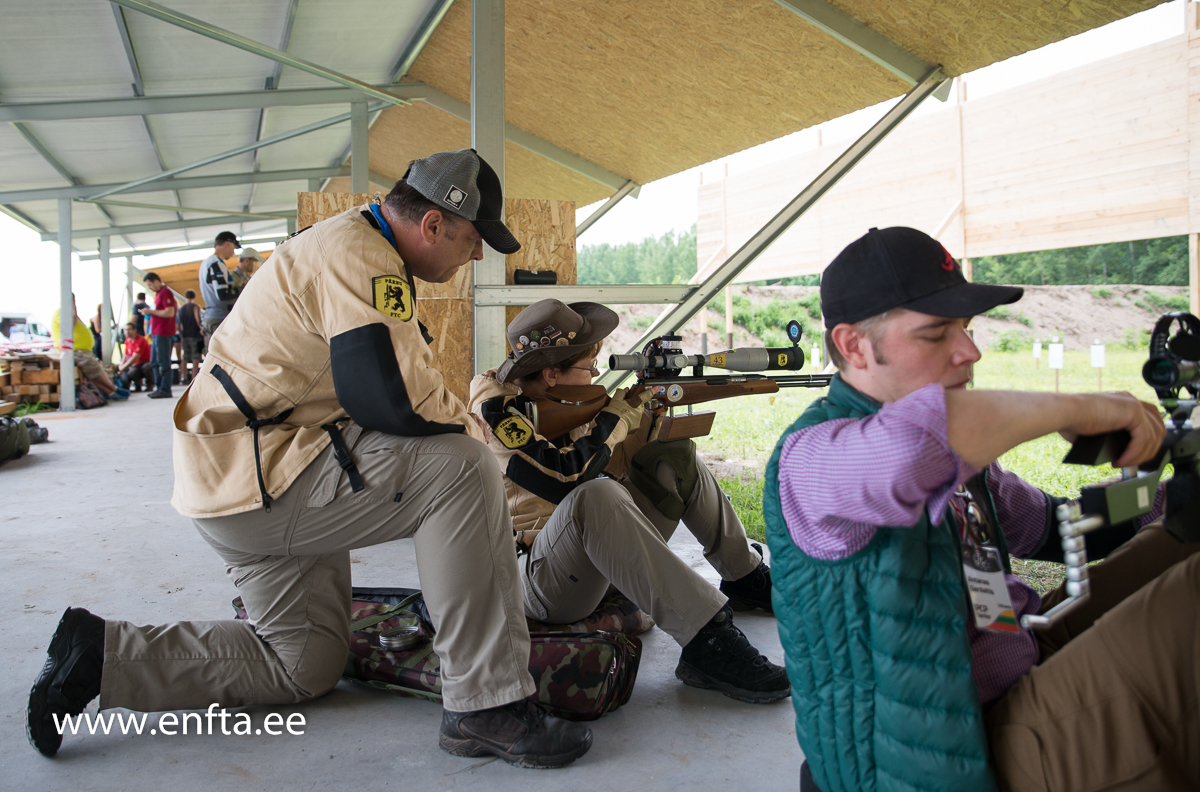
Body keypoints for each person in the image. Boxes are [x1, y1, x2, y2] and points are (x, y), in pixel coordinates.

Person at [27, 149, 593, 769]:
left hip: (245, 480)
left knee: (301, 665)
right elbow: (390, 399)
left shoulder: (353, 244)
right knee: (462, 468)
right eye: (473, 238)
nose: (478, 255)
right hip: (265, 476)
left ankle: (101, 656)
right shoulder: (360, 256)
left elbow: (397, 383)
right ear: (432, 225)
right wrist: (486, 443)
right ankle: (485, 706)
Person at [766, 226, 1200, 792]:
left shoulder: (967, 465)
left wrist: (1156, 492)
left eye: (967, 329)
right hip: (945, 758)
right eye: (935, 333)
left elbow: (1060, 528)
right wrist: (1078, 408)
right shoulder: (811, 460)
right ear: (852, 346)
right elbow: (907, 451)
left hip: (1012, 663)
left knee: (1180, 540)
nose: (970, 351)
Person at [468, 300, 789, 704]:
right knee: (596, 494)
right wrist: (615, 417)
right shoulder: (496, 409)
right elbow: (565, 479)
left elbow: (617, 465)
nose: (597, 374)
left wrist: (649, 420)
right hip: (538, 576)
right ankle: (706, 639)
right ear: (551, 373)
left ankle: (743, 576)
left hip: (593, 558)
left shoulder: (568, 398)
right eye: (589, 366)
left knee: (672, 458)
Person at [50, 296, 118, 397]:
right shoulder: (63, 312)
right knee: (95, 371)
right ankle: (113, 390)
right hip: (76, 350)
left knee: (94, 372)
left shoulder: (68, 312)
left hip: (82, 350)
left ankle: (111, 391)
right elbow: (72, 323)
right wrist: (73, 307)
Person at [140, 272, 177, 399]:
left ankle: (165, 389)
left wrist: (150, 312)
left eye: (150, 284)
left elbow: (170, 312)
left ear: (156, 281)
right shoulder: (159, 294)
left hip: (163, 332)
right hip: (156, 332)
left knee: (163, 361)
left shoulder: (166, 292)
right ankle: (159, 387)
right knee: (154, 362)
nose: (149, 287)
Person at [199, 231, 238, 336]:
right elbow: (222, 294)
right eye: (234, 248)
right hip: (219, 319)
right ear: (228, 244)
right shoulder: (216, 263)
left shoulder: (205, 263)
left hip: (211, 317)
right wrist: (242, 291)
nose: (233, 253)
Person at [114, 322, 151, 392]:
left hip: (143, 363)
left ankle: (149, 384)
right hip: (135, 364)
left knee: (134, 371)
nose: (127, 332)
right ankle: (135, 387)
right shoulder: (127, 341)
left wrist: (123, 367)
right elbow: (125, 355)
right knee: (126, 372)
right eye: (125, 330)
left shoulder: (140, 340)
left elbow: (135, 358)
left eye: (129, 329)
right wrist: (121, 366)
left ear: (135, 330)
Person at [178, 289, 204, 384]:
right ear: (194, 297)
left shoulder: (181, 309)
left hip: (184, 335)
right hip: (194, 334)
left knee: (185, 357)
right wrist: (201, 328)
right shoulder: (195, 307)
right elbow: (198, 320)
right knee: (195, 357)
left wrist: (181, 334)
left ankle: (183, 377)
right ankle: (194, 377)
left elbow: (179, 324)